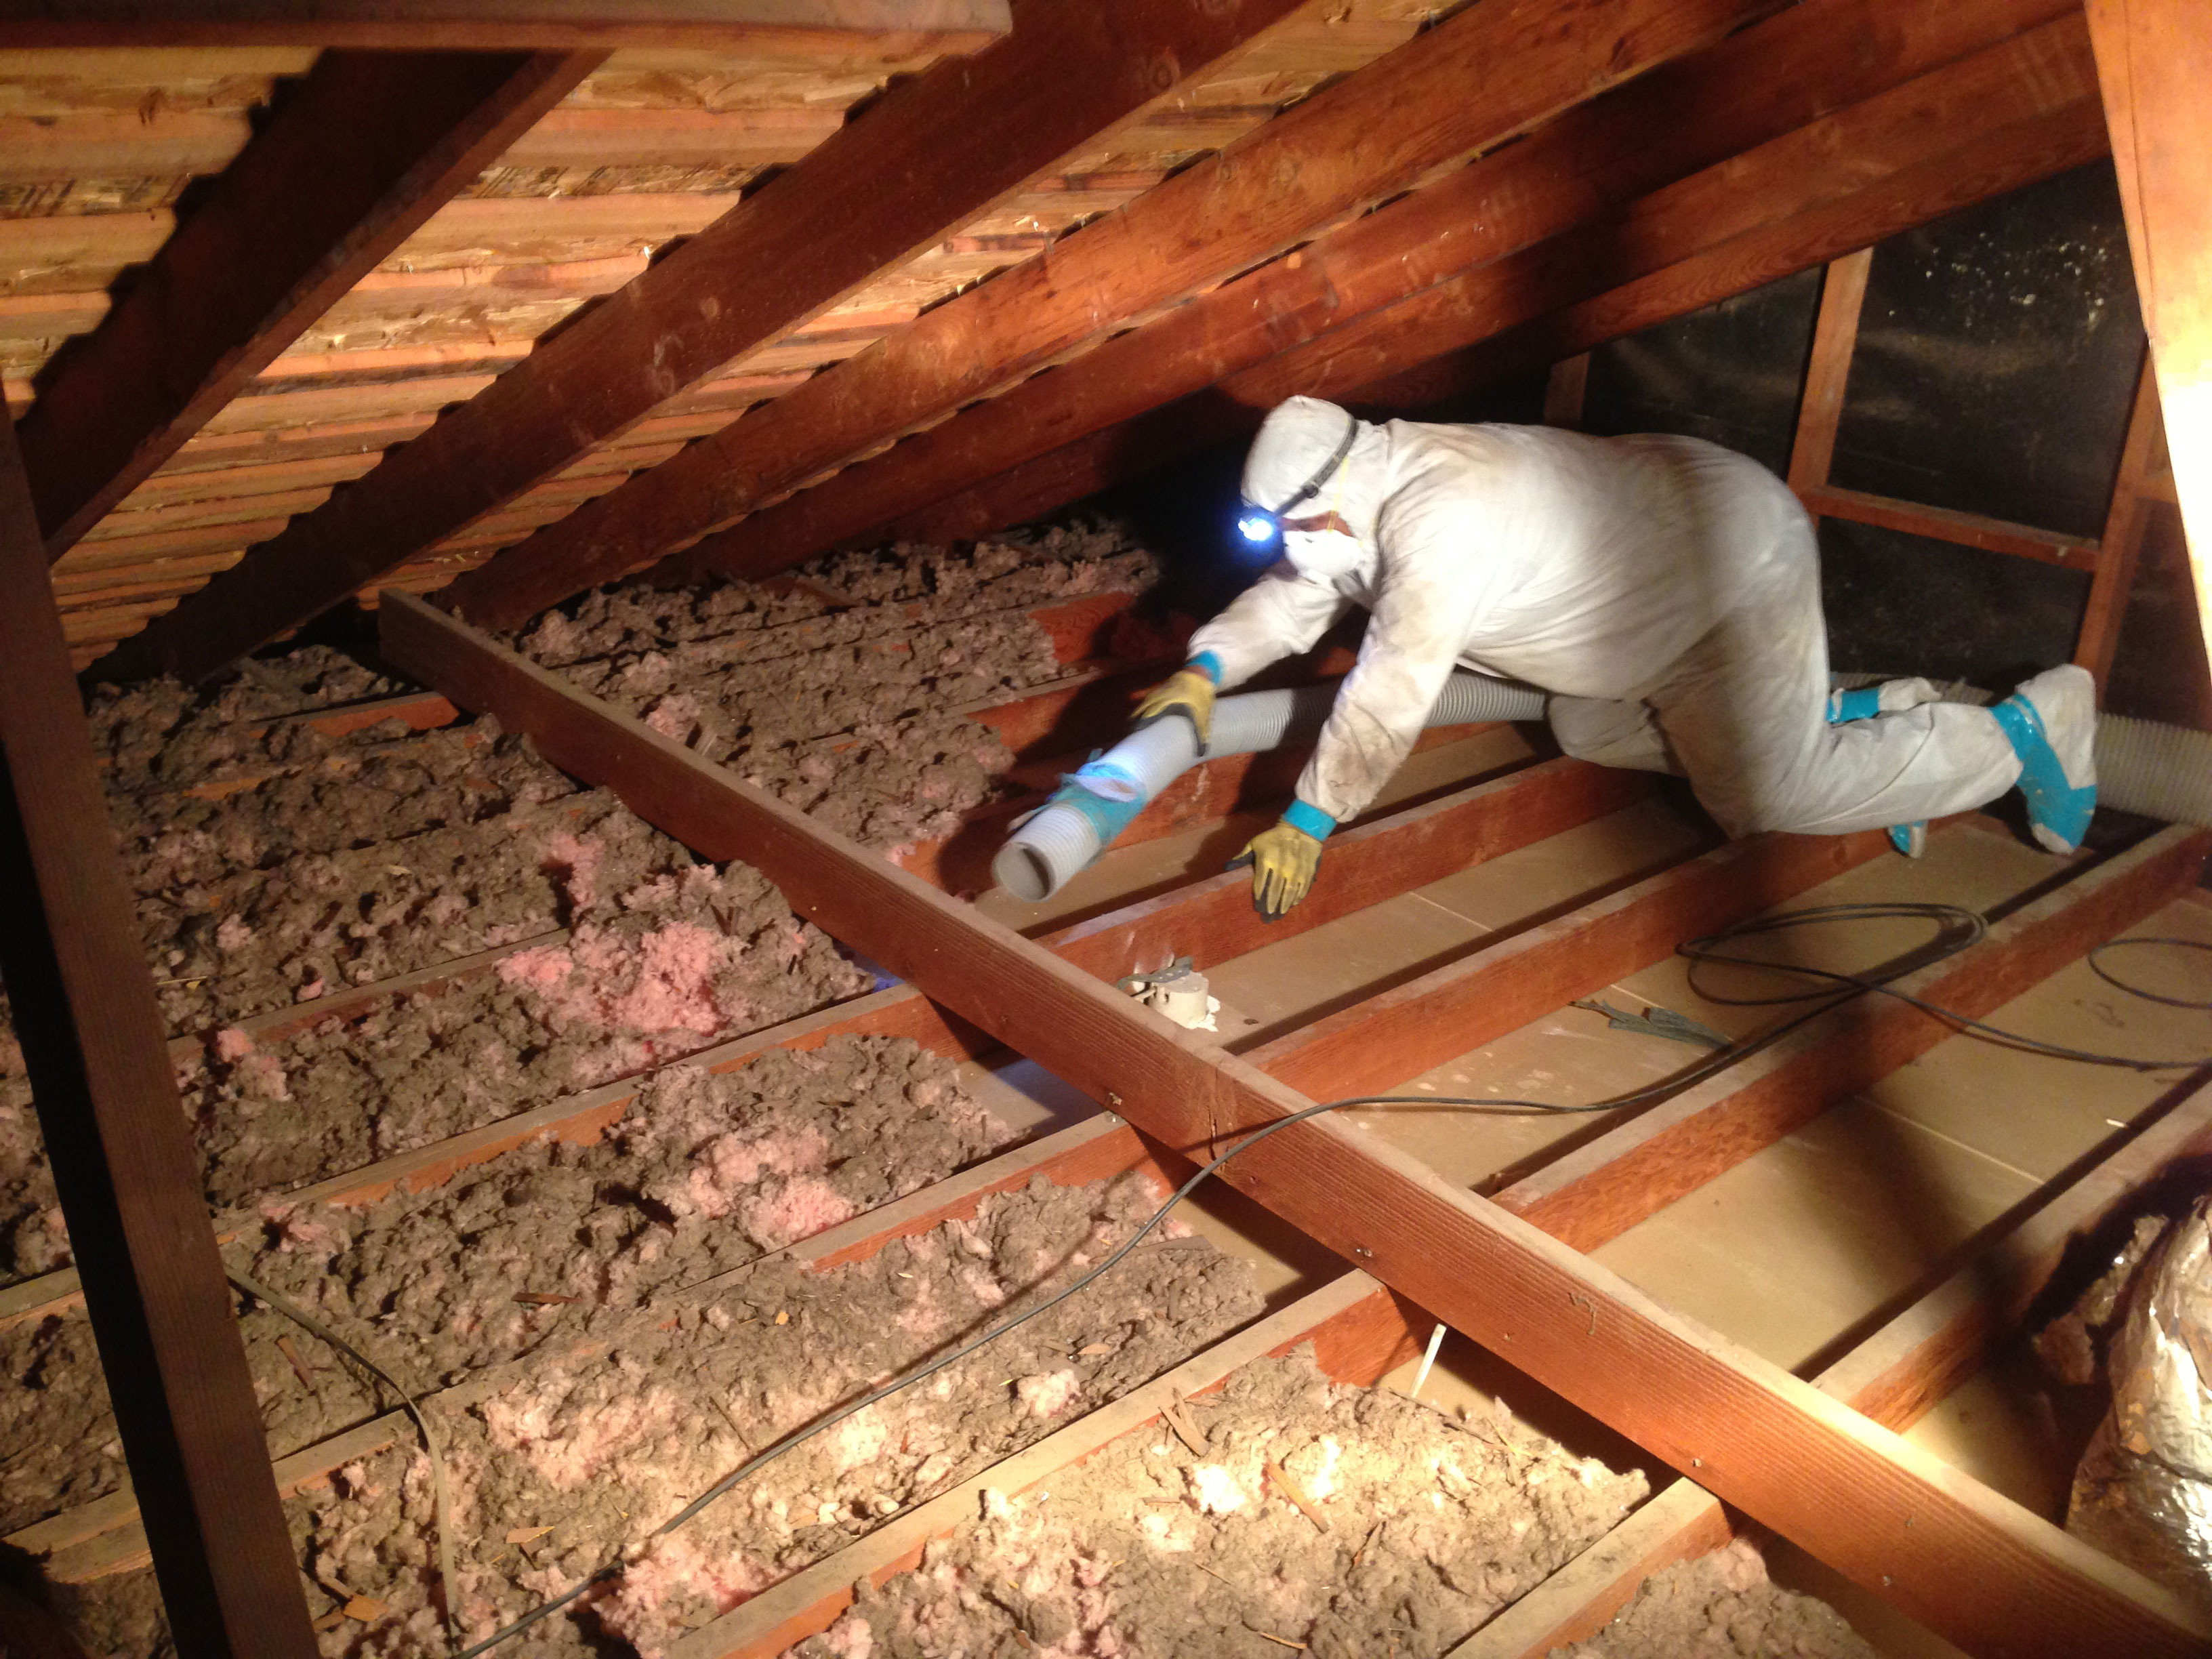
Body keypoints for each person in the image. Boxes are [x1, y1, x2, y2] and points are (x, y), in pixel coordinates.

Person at [1136, 396, 2097, 920]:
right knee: (1583, 723)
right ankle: (1843, 716)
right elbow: (1303, 593)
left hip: (1733, 563)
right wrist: (1206, 668)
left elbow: (1393, 686)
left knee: (1765, 800)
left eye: (1294, 532)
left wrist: (1312, 817)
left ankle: (2022, 732)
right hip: (1653, 581)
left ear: (1327, 506)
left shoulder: (1445, 517)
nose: (1294, 552)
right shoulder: (1359, 487)